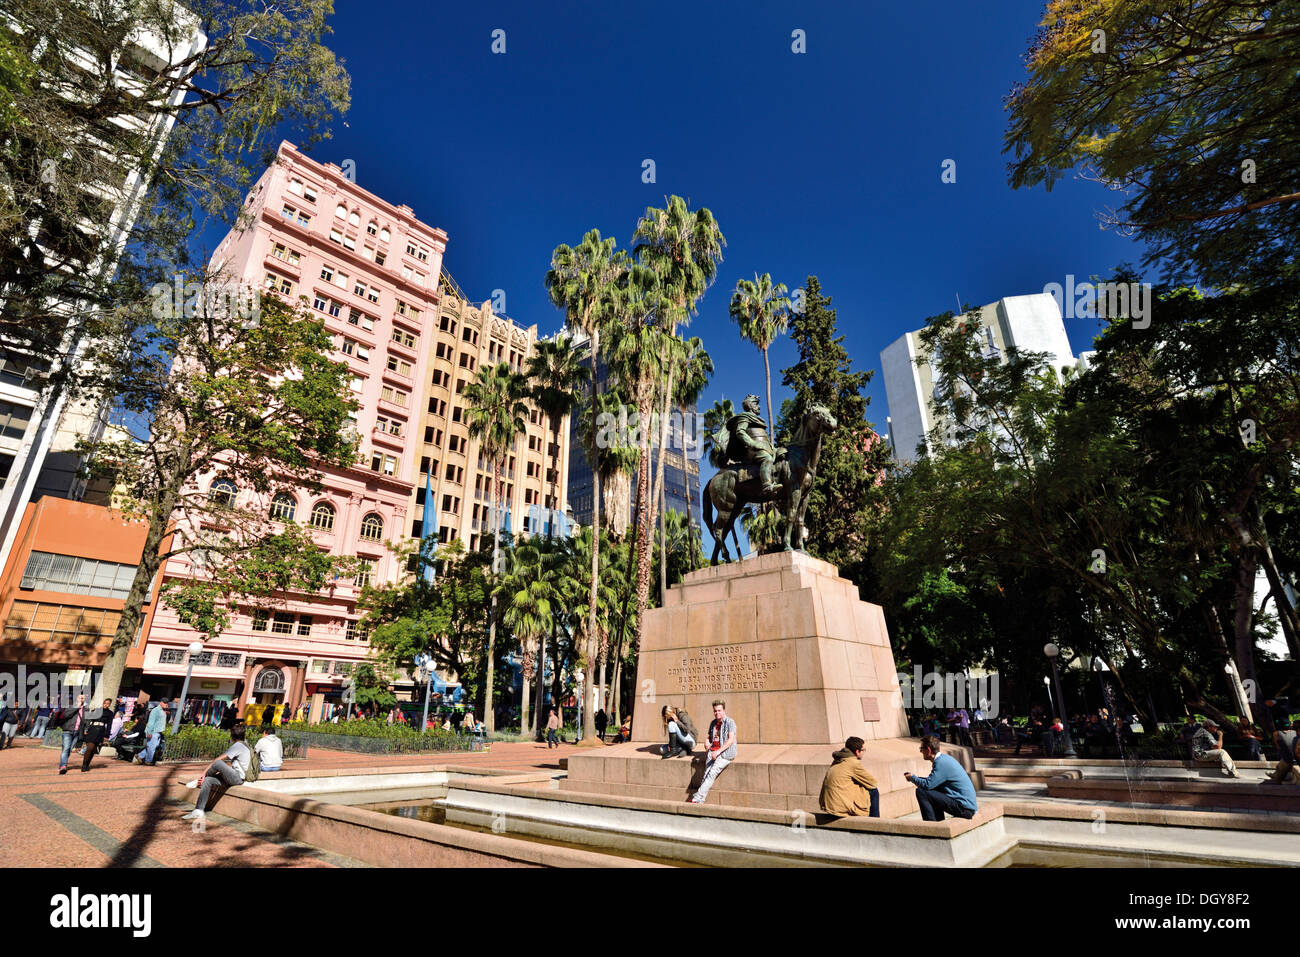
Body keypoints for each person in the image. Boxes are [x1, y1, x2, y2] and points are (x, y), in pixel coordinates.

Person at [182, 726, 252, 822]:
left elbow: (218, 760)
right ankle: (198, 810)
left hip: (237, 778)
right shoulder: (246, 743)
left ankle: (199, 780)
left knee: (218, 763)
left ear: (232, 736)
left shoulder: (238, 745)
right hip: (237, 777)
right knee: (207, 781)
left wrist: (203, 773)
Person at [905, 735, 979, 822]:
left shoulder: (941, 763)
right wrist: (916, 778)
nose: (921, 751)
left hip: (964, 809)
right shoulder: (944, 759)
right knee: (932, 790)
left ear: (928, 750)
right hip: (967, 807)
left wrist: (912, 778)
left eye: (921, 748)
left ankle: (931, 827)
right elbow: (932, 783)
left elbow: (928, 785)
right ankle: (938, 823)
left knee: (921, 792)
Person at [819, 736, 880, 818]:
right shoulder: (853, 762)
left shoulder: (838, 759)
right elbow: (873, 783)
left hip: (829, 805)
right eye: (863, 750)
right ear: (857, 752)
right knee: (874, 791)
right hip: (839, 807)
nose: (864, 752)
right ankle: (875, 823)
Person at [689, 700, 737, 804]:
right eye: (715, 711)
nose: (717, 713)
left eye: (719, 710)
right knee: (706, 774)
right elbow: (709, 737)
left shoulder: (730, 722)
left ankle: (697, 798)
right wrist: (706, 742)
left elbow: (730, 740)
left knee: (711, 774)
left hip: (725, 754)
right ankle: (700, 799)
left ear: (724, 710)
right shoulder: (713, 723)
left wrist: (718, 752)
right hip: (712, 752)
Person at [55, 693, 88, 773]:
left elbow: (87, 720)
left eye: (83, 698)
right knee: (66, 748)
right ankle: (63, 766)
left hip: (77, 732)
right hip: (68, 730)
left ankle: (63, 763)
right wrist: (77, 707)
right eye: (80, 698)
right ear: (77, 698)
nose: (81, 700)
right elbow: (66, 714)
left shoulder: (85, 709)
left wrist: (86, 729)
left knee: (69, 750)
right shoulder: (71, 706)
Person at [79, 699, 114, 772]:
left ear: (109, 705)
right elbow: (88, 720)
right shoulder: (97, 710)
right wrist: (86, 729)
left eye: (108, 704)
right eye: (105, 703)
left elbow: (109, 725)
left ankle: (87, 764)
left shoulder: (110, 713)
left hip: (101, 731)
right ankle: (84, 764)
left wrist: (107, 735)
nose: (106, 705)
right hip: (92, 729)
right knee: (90, 748)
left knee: (93, 749)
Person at [1262, 720, 1300, 785]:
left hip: (1291, 760)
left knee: (1285, 761)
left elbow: (1296, 753)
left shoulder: (1277, 733)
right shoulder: (1295, 735)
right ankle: (1277, 775)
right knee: (1286, 759)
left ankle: (1277, 777)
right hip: (1292, 759)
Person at [136, 699, 169, 765]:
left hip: (158, 731)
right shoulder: (155, 710)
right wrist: (149, 732)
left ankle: (140, 756)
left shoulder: (163, 711)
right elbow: (151, 722)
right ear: (161, 702)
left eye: (167, 703)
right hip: (153, 731)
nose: (166, 704)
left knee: (152, 746)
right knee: (152, 747)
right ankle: (148, 761)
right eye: (164, 703)